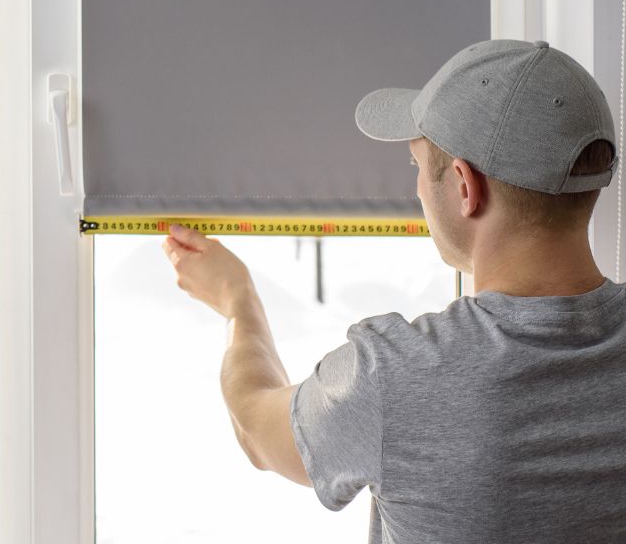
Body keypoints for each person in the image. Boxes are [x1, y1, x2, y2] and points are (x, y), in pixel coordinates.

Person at [163, 38, 626, 543]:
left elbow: (256, 428)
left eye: (416, 167)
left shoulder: (397, 377)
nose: (417, 192)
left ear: (465, 187)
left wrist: (238, 303)